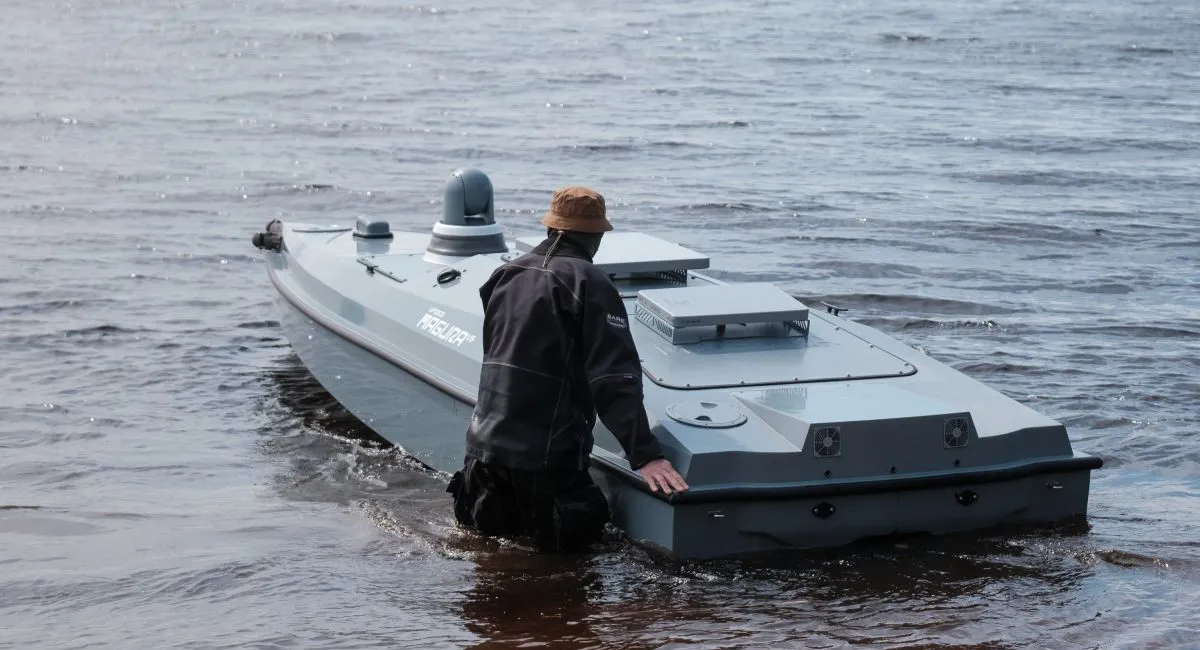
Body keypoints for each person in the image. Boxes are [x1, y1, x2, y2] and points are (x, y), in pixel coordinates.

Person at [448, 185, 688, 551]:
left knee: (490, 564)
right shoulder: (589, 282)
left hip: (482, 453)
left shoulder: (504, 276)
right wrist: (646, 454)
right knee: (570, 567)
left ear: (551, 227)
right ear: (595, 236)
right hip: (544, 460)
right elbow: (613, 378)